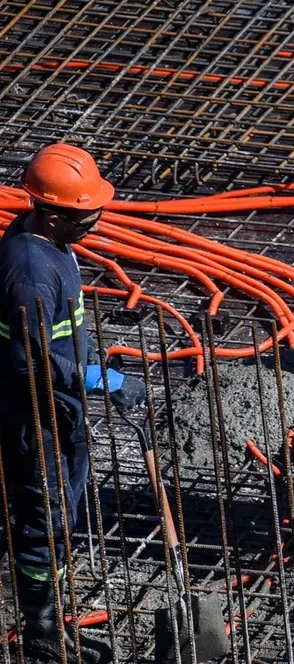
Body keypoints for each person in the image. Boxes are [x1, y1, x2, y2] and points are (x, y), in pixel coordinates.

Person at [0, 143, 144, 663]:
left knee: (59, 504)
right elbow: (29, 362)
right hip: (36, 414)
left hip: (58, 405)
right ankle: (41, 629)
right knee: (48, 515)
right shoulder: (30, 274)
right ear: (54, 212)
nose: (97, 219)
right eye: (87, 213)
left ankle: (46, 600)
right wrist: (99, 378)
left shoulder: (46, 240)